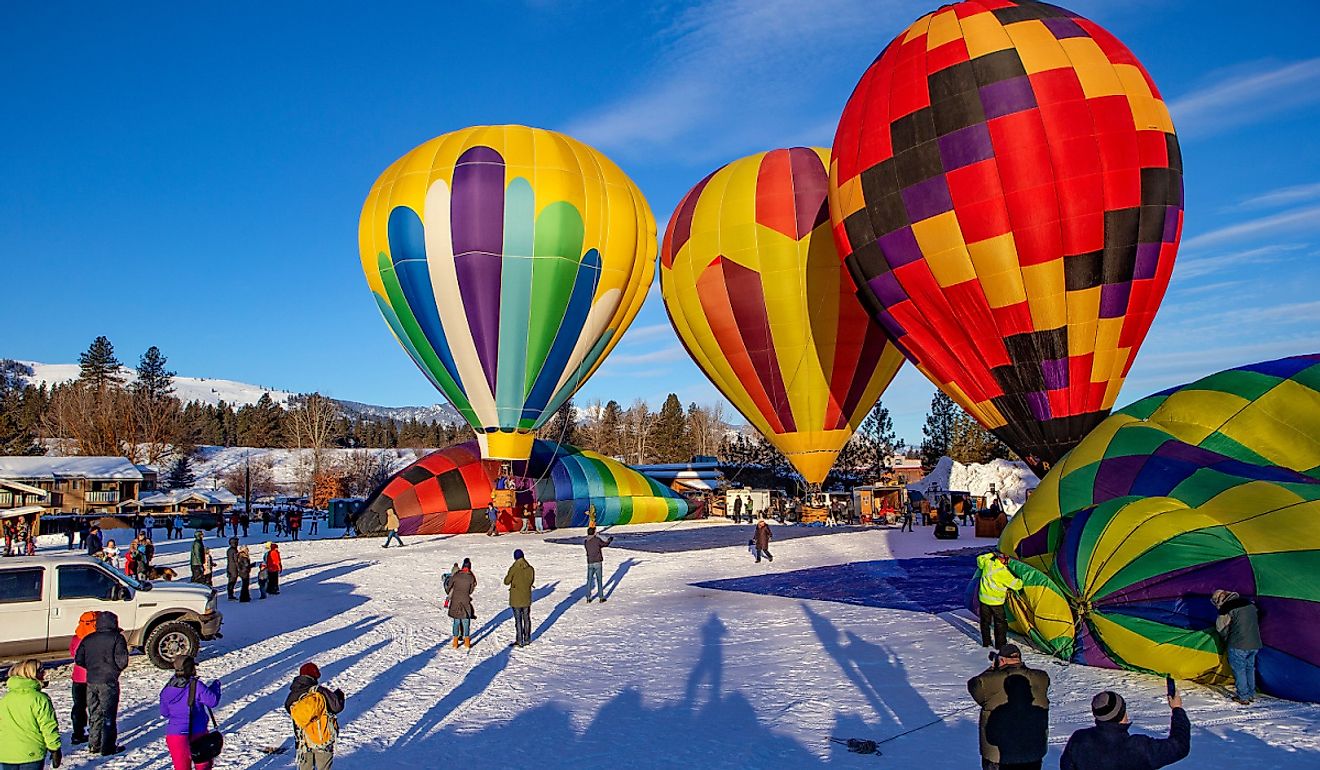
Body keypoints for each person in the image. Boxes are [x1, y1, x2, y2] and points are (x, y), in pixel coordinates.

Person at [968, 643, 1050, 770]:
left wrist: (993, 668)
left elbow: (973, 685)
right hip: (1032, 754)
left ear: (1001, 660)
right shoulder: (1041, 678)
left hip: (998, 757)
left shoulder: (986, 682)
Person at [1060, 690, 1190, 770]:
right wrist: (1177, 709)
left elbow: (1066, 766)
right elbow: (1180, 746)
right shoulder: (1138, 748)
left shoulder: (1079, 739)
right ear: (1122, 714)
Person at [75, 610, 129, 756]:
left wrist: (92, 668)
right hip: (109, 681)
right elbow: (122, 661)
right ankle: (108, 747)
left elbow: (79, 659)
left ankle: (94, 744)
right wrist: (114, 670)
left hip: (91, 680)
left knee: (94, 713)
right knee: (109, 715)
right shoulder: (117, 638)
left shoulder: (88, 638)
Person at [158, 655, 221, 770]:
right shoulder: (196, 685)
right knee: (203, 766)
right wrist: (215, 686)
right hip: (198, 733)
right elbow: (212, 701)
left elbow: (165, 713)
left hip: (175, 736)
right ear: (192, 669)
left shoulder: (167, 689)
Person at [0, 659, 62, 770]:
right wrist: (54, 748)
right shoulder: (39, 699)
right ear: (31, 674)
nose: (45, 673)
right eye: (40, 670)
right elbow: (48, 726)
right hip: (31, 754)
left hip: (6, 754)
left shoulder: (5, 699)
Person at [285, 662, 345, 770]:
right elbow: (337, 707)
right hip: (322, 738)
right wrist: (339, 696)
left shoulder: (293, 694)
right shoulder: (319, 691)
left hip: (303, 740)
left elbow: (289, 709)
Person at [1212, 589, 1262, 704]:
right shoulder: (1249, 604)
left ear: (1220, 600)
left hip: (1238, 644)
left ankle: (1243, 697)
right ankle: (1251, 694)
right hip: (1255, 643)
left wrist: (1226, 640)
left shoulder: (1227, 608)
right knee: (1249, 669)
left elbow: (1221, 628)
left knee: (1240, 671)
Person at [976, 551, 1022, 649]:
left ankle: (986, 643)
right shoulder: (1003, 573)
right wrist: (1021, 577)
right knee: (1000, 624)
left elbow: (980, 559)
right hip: (996, 603)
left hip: (983, 599)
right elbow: (1017, 585)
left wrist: (991, 554)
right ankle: (1000, 645)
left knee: (985, 622)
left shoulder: (988, 563)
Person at [69, 611, 99, 746]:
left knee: (78, 706)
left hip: (78, 678)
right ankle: (95, 734)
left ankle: (77, 733)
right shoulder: (96, 638)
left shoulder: (77, 638)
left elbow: (72, 653)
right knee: (95, 707)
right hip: (93, 678)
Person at [504, 549, 535, 647]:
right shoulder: (530, 568)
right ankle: (527, 639)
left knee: (518, 620)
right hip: (526, 597)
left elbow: (506, 581)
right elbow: (531, 581)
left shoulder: (514, 568)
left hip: (516, 598)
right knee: (526, 619)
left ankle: (519, 640)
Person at [447, 558, 476, 648]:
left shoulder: (456, 575)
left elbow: (449, 586)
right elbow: (471, 590)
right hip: (465, 601)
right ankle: (467, 642)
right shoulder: (471, 577)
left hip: (455, 600)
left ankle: (455, 642)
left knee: (456, 621)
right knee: (466, 621)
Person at [584, 527, 614, 603]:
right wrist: (609, 540)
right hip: (598, 562)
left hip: (590, 562)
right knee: (599, 580)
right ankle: (601, 597)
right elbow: (605, 544)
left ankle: (588, 597)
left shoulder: (586, 542)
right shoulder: (596, 540)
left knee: (589, 580)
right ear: (594, 532)